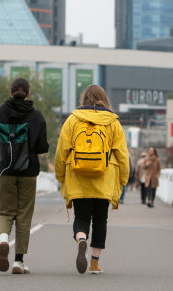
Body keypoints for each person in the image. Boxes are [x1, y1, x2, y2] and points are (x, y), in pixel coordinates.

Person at [55, 84, 129, 274]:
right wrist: (123, 178)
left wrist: (60, 175)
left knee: (81, 216)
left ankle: (81, 239)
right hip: (105, 177)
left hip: (77, 176)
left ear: (84, 99)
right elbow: (122, 154)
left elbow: (61, 151)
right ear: (104, 99)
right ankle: (94, 263)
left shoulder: (73, 119)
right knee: (100, 220)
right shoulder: (112, 121)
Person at [0, 78, 49, 275]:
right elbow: (42, 147)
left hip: (3, 171)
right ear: (28, 94)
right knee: (24, 214)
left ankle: (3, 239)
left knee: (4, 211)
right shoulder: (36, 117)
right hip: (28, 172)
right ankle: (18, 262)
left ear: (10, 92)